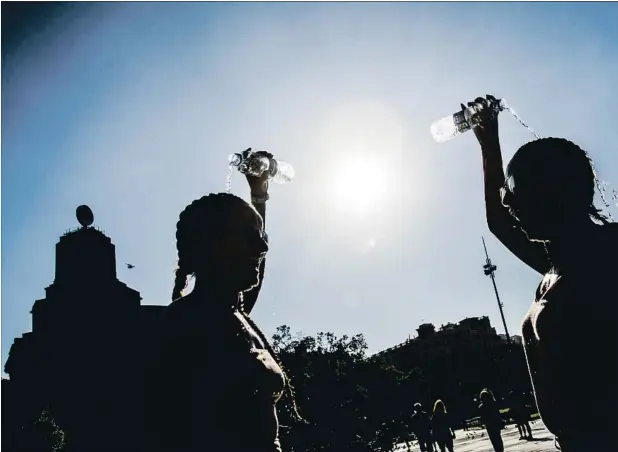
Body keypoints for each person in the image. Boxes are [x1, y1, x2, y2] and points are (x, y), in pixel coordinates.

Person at [465, 94, 617, 451]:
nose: (507, 199)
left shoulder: (605, 255)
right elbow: (498, 222)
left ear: (551, 193)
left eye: (515, 190)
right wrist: (489, 142)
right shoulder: (555, 266)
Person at [143, 150, 303, 451]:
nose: (262, 248)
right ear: (209, 246)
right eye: (247, 236)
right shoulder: (186, 325)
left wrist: (259, 196)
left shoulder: (233, 315)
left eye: (262, 238)